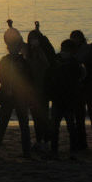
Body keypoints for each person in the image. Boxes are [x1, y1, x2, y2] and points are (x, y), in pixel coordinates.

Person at [0, 28, 32, 158]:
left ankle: (27, 152)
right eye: (11, 47)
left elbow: (28, 77)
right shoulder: (5, 61)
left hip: (19, 96)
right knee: (3, 123)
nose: (13, 49)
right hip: (8, 95)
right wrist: (8, 88)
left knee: (23, 124)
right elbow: (1, 77)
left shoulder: (24, 60)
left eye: (16, 47)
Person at [47, 39, 83, 158]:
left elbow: (80, 76)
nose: (64, 52)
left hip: (67, 99)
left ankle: (70, 149)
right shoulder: (58, 60)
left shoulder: (73, 63)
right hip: (61, 98)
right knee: (58, 126)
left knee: (68, 125)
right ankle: (56, 150)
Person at [25, 22, 54, 152]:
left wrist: (38, 32)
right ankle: (39, 140)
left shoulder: (44, 52)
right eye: (31, 39)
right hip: (32, 90)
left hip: (44, 89)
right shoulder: (28, 54)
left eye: (34, 39)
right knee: (36, 117)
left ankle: (46, 141)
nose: (33, 41)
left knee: (44, 115)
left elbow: (49, 61)